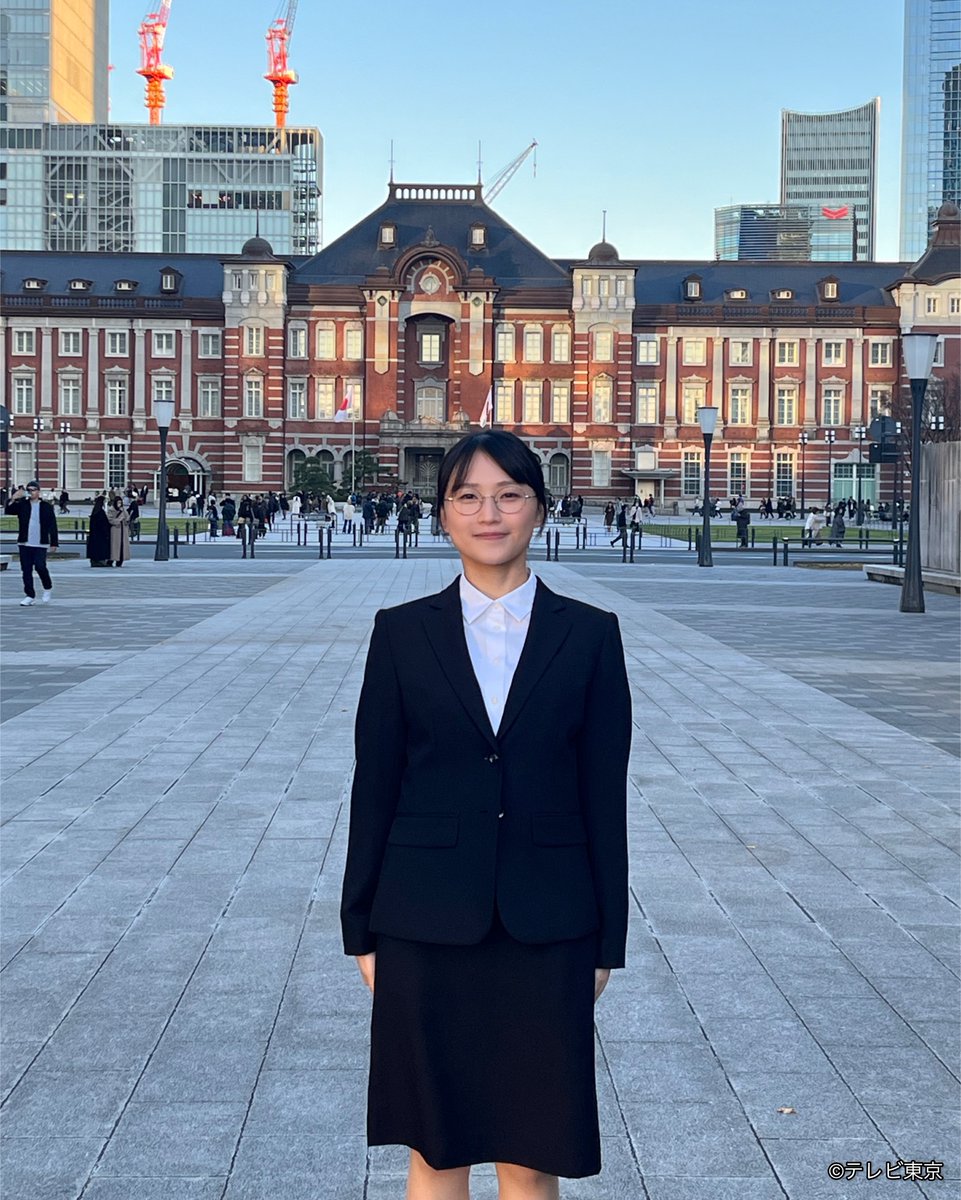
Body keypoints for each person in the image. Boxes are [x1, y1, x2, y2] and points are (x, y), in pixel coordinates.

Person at [341, 429, 631, 1194]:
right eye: (466, 496)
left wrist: (608, 940)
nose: (488, 514)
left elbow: (604, 797)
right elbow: (375, 785)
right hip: (424, 920)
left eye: (508, 495)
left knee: (532, 1159)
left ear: (539, 508)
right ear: (442, 515)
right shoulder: (401, 633)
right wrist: (358, 928)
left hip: (548, 924)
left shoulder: (590, 636)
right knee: (434, 1152)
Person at [6, 481, 59, 604]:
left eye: (33, 490)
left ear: (38, 491)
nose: (31, 492)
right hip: (25, 543)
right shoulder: (22, 505)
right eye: (29, 490)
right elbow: (8, 510)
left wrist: (54, 543)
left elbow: (53, 525)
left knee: (40, 566)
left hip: (40, 543)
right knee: (26, 570)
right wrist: (13, 498)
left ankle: (47, 587)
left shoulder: (46, 506)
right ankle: (30, 595)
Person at [85, 495, 111, 567]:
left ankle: (95, 561)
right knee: (101, 548)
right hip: (101, 534)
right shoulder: (100, 512)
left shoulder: (95, 511)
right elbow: (104, 524)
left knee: (95, 548)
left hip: (95, 534)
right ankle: (100, 561)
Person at [106, 495, 131, 566]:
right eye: (118, 502)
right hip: (116, 530)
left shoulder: (123, 510)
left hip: (123, 530)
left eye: (120, 502)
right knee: (115, 546)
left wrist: (126, 520)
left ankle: (120, 560)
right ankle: (111, 560)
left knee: (122, 545)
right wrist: (118, 520)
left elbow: (127, 517)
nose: (119, 504)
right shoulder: (111, 510)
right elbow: (110, 520)